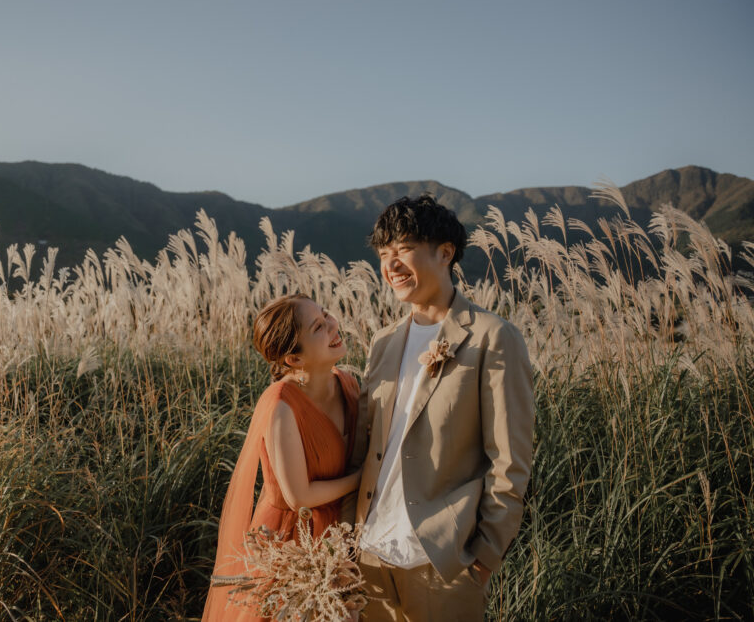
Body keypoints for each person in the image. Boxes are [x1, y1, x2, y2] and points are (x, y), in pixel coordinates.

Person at [351, 194, 534, 621]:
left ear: (445, 253)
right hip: (370, 555)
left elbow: (509, 459)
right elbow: (363, 447)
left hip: (441, 561)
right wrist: (348, 540)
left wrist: (484, 557)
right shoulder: (383, 342)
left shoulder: (493, 337)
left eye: (404, 249)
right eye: (384, 254)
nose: (391, 265)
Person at [203, 293, 363, 621]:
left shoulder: (348, 385)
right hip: (291, 541)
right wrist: (365, 479)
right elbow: (299, 496)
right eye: (318, 327)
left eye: (326, 315)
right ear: (294, 359)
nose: (333, 325)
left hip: (342, 531)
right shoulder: (281, 405)